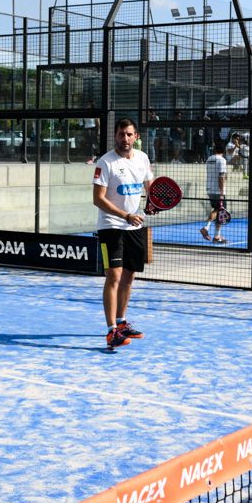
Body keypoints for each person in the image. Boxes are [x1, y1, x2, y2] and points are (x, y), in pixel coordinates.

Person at [92, 118, 153, 351]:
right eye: (121, 134)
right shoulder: (106, 162)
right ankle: (111, 332)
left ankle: (121, 322)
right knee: (114, 276)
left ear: (136, 136)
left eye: (129, 135)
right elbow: (98, 199)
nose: (125, 139)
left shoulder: (142, 158)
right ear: (115, 136)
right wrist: (125, 215)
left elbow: (150, 185)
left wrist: (152, 202)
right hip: (111, 226)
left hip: (134, 227)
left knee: (129, 276)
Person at [201, 139, 229, 245]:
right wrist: (222, 192)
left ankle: (217, 236)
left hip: (209, 188)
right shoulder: (222, 160)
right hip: (218, 190)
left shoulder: (209, 159)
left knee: (218, 210)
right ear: (224, 149)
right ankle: (206, 227)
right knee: (219, 210)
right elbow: (221, 176)